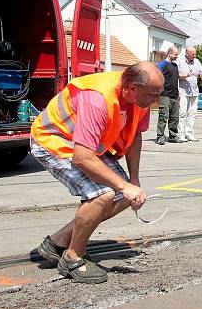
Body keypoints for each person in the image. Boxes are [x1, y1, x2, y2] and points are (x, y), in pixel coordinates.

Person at [30, 62, 163, 284]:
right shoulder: (97, 98)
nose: (156, 100)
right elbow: (82, 157)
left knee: (123, 196)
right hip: (53, 141)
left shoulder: (140, 99)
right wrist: (123, 185)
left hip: (88, 146)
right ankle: (73, 257)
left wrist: (134, 179)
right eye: (153, 95)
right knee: (103, 195)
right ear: (132, 88)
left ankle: (58, 243)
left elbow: (134, 136)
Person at [176, 46, 202, 141]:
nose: (195, 56)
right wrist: (186, 75)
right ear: (187, 53)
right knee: (182, 113)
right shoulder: (179, 61)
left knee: (192, 113)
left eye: (195, 54)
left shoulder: (197, 61)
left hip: (194, 91)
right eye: (193, 54)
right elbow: (176, 75)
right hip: (183, 91)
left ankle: (189, 133)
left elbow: (201, 74)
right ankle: (180, 134)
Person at [156, 46, 183, 144]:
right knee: (163, 116)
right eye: (175, 54)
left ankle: (173, 136)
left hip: (175, 96)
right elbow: (157, 76)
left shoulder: (175, 66)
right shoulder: (162, 64)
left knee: (175, 118)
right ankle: (160, 136)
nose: (177, 56)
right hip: (165, 95)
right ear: (170, 53)